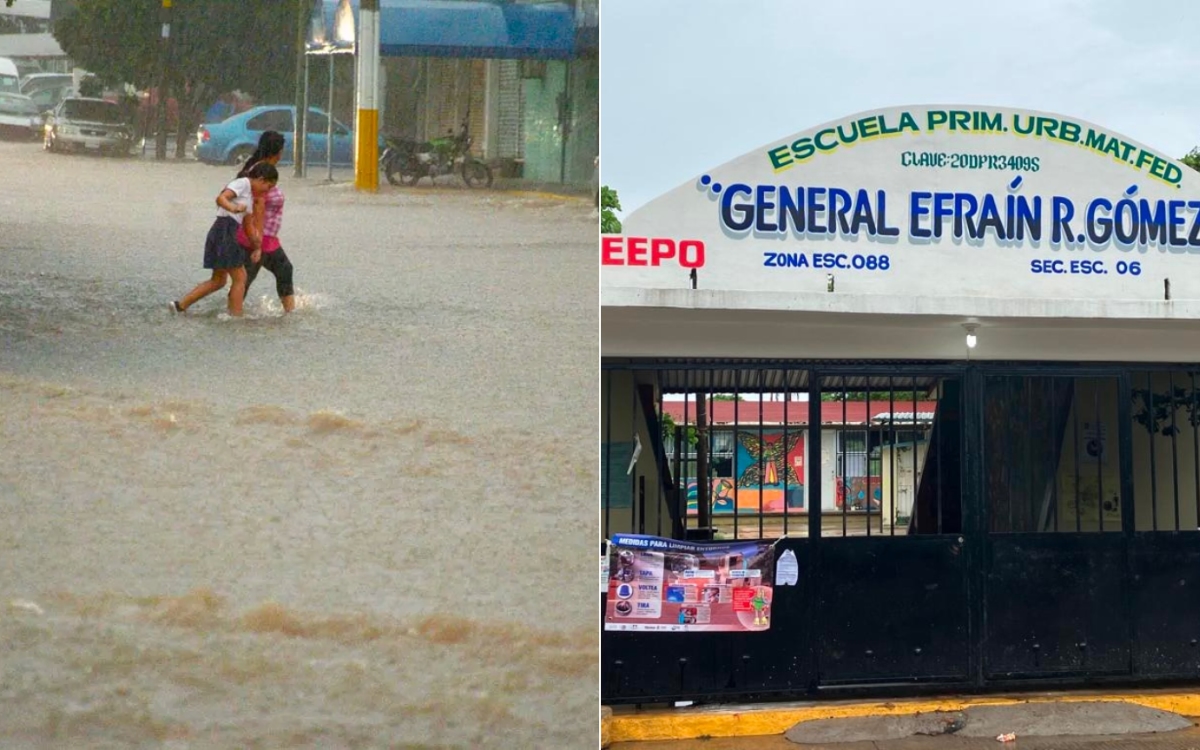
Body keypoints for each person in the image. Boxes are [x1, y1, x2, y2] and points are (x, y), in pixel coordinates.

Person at [171, 162, 278, 317]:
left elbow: (248, 226)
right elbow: (221, 198)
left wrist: (257, 247)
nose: (267, 192)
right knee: (240, 277)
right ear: (261, 179)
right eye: (268, 187)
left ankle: (179, 306)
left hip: (221, 232)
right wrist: (233, 208)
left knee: (219, 280)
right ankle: (235, 317)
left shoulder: (249, 197)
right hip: (225, 230)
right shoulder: (242, 183)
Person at [235, 130, 296, 313]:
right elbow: (256, 205)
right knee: (245, 279)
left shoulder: (259, 169)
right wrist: (256, 242)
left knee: (283, 269)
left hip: (266, 237)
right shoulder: (260, 173)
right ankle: (231, 315)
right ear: (277, 151)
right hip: (258, 237)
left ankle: (289, 313)